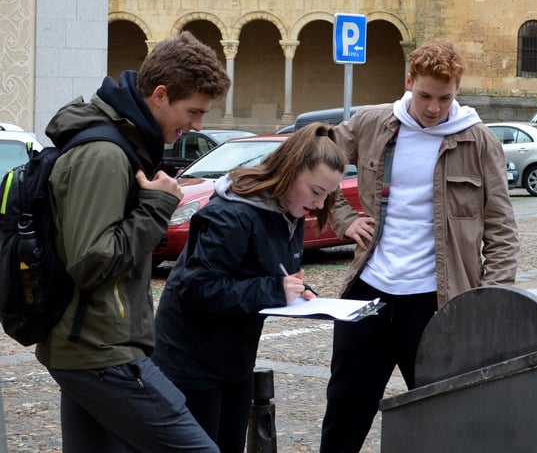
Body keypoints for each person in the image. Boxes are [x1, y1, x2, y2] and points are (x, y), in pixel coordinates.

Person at [319, 38, 520, 452]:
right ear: (409, 82)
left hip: (437, 304)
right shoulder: (371, 123)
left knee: (445, 419)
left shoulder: (479, 142)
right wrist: (344, 219)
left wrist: (490, 302)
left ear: (457, 91)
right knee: (345, 411)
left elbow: (501, 230)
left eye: (444, 98)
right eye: (425, 95)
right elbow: (314, 163)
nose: (433, 108)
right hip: (369, 294)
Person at [35, 31, 231, 452]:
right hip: (100, 352)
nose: (197, 125)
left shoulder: (126, 146)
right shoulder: (103, 154)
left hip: (94, 347)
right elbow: (90, 261)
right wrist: (156, 206)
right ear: (159, 95)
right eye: (192, 111)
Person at [152, 122, 347, 453]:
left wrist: (298, 288)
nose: (319, 204)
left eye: (328, 195)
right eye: (316, 192)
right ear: (290, 171)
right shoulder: (232, 214)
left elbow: (269, 270)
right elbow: (197, 287)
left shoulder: (288, 211)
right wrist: (274, 289)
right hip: (190, 359)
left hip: (234, 356)